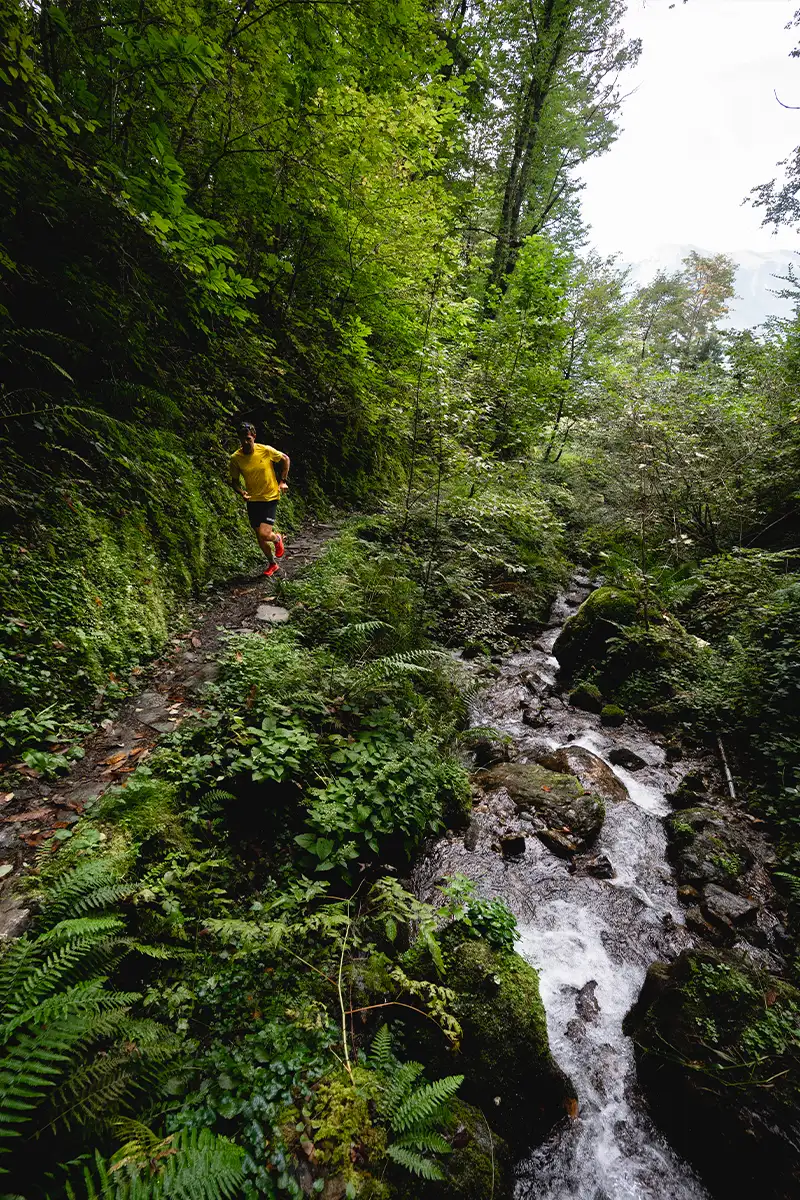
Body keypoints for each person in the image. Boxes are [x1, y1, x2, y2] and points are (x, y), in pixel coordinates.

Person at [229, 422, 290, 577]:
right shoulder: (236, 458)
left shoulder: (265, 450)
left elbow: (285, 459)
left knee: (264, 533)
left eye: (248, 438)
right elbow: (234, 481)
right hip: (253, 500)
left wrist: (282, 481)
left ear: (254, 437)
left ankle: (277, 538)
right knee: (259, 537)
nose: (245, 442)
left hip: (270, 497)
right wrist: (241, 492)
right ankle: (272, 564)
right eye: (242, 439)